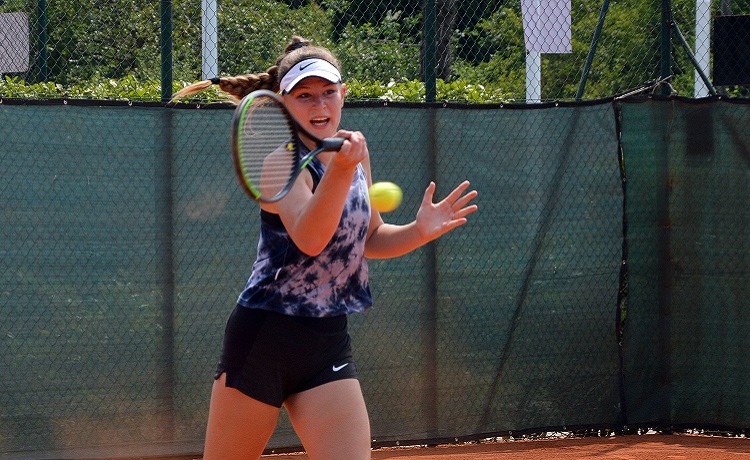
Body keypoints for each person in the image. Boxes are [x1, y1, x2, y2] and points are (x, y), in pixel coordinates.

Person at [173, 36, 478, 460]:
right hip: (263, 338)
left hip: (326, 343)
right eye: (305, 96)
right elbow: (310, 238)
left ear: (343, 94)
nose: (320, 106)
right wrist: (340, 171)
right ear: (283, 104)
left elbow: (368, 240)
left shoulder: (353, 152)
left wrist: (419, 231)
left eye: (328, 92)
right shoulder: (280, 162)